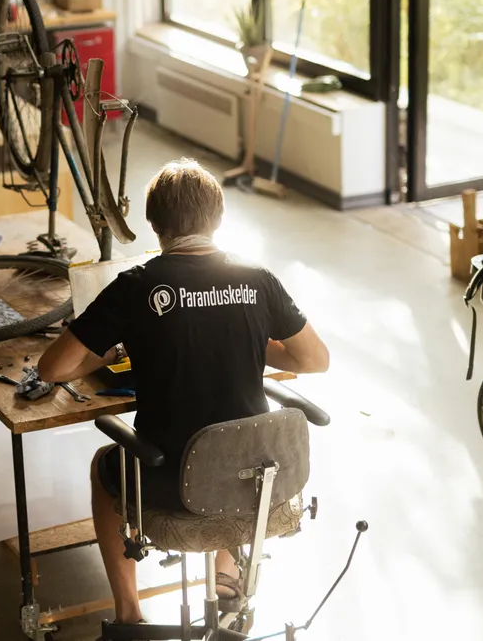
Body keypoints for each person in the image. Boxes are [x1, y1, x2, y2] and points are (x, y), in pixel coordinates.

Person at [37, 158, 330, 625]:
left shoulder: (136, 287)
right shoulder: (257, 278)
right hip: (260, 479)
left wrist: (112, 353)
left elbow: (53, 369)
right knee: (232, 450)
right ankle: (226, 580)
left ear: (155, 225)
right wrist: (251, 339)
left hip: (171, 481)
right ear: (218, 219)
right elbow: (315, 359)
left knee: (103, 467)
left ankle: (130, 616)